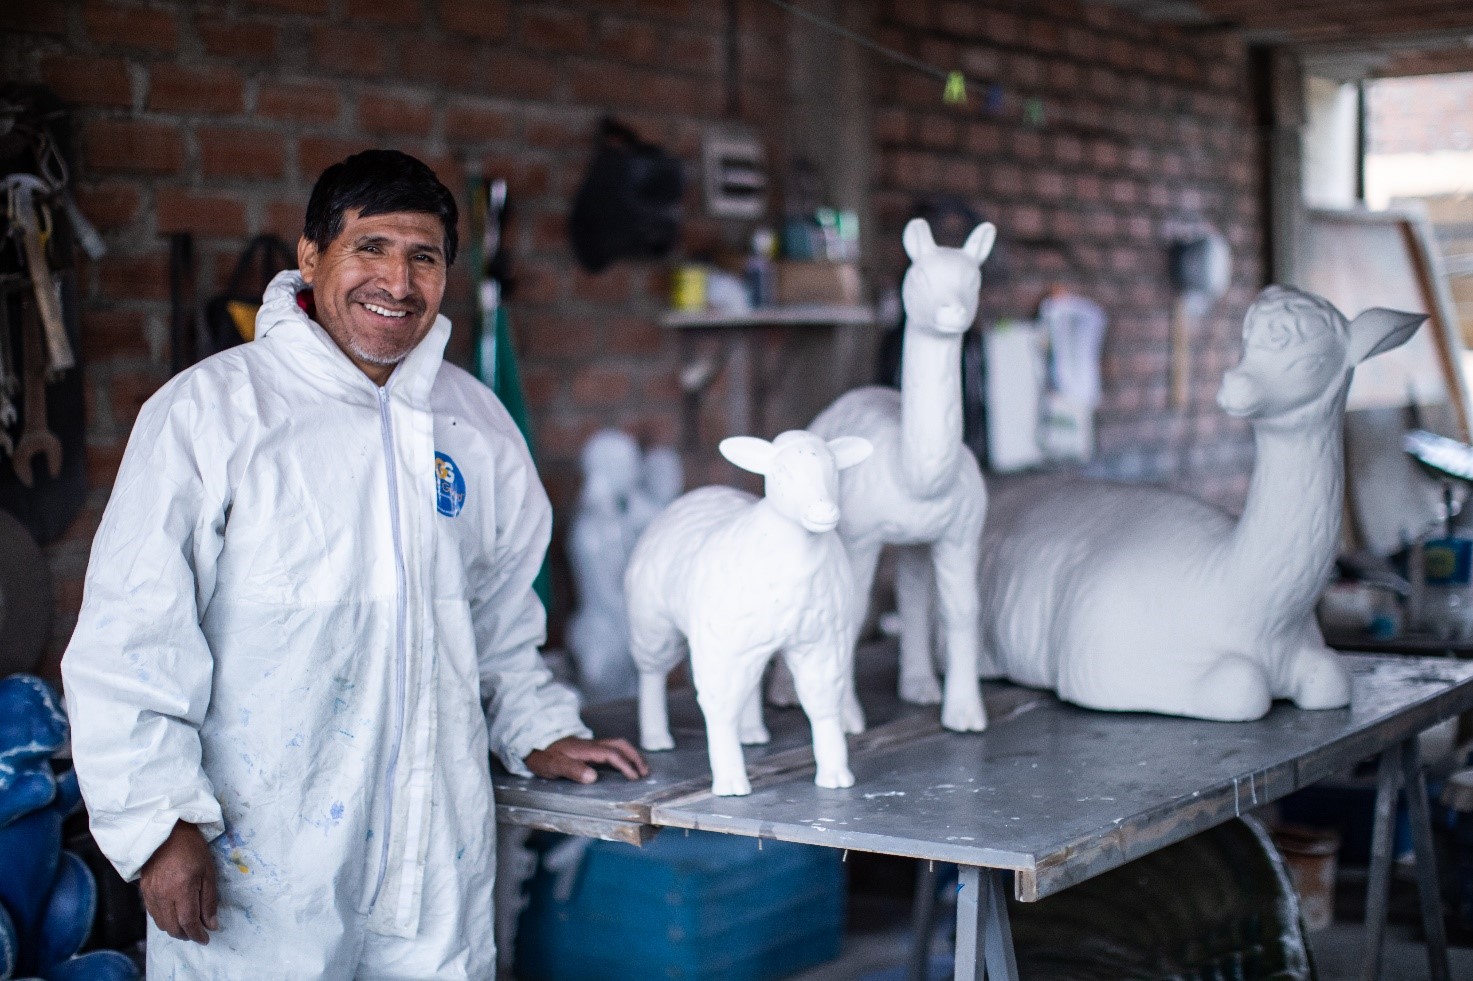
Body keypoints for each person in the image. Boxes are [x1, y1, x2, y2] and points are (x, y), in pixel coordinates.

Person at [61, 149, 648, 979]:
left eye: (424, 256)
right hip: (261, 864)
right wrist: (158, 824)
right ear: (310, 257)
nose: (398, 283)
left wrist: (535, 723)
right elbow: (132, 634)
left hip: (433, 858)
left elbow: (499, 617)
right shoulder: (211, 414)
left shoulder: (472, 425)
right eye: (370, 247)